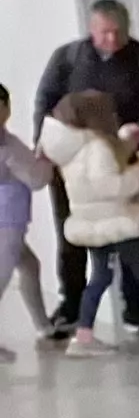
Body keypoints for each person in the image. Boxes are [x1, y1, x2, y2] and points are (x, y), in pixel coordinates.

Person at [34, 0, 139, 339]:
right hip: (74, 165)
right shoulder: (67, 59)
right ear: (91, 29)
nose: (111, 39)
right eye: (104, 32)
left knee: (132, 236)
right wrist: (45, 147)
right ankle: (72, 305)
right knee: (75, 234)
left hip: (128, 160)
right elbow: (45, 104)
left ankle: (133, 305)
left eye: (117, 32)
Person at [47, 91, 139, 356]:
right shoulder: (97, 148)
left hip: (92, 223)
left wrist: (126, 140)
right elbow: (110, 184)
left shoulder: (76, 148)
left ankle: (84, 335)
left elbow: (102, 165)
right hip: (116, 221)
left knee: (99, 277)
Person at [0, 89, 49, 356]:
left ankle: (43, 326)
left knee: (29, 265)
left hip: (8, 217)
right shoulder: (8, 147)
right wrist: (45, 160)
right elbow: (36, 179)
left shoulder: (8, 143)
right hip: (8, 219)